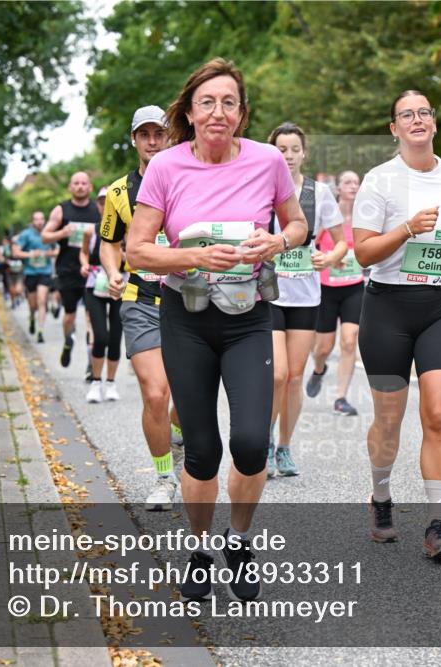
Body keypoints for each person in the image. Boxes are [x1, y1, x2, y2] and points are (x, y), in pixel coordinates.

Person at [126, 58, 307, 601]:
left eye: (229, 103)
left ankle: (240, 539)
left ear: (242, 114)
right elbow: (137, 249)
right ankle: (201, 548)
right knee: (202, 451)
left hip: (249, 317)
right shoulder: (166, 168)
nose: (218, 112)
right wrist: (194, 255)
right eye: (207, 102)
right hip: (186, 319)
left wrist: (278, 242)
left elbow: (297, 224)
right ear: (190, 111)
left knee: (251, 443)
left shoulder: (268, 160)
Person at [352, 90, 441, 559]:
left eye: (424, 112)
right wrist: (406, 228)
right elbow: (363, 252)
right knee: (389, 421)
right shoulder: (379, 180)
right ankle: (381, 495)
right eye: (406, 114)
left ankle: (438, 523)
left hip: (440, 308)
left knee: (436, 414)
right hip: (387, 310)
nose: (416, 119)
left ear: (434, 122)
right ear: (394, 128)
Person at [100, 104, 185, 511]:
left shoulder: (189, 179)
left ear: (170, 137)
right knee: (155, 392)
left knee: (185, 398)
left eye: (159, 134)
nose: (152, 141)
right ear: (133, 139)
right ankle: (165, 476)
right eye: (144, 134)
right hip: (140, 298)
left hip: (189, 297)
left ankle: (178, 431)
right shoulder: (118, 193)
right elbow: (108, 240)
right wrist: (113, 271)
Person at [266, 122, 348, 478]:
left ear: (304, 153)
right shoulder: (260, 187)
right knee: (278, 375)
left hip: (305, 296)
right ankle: (265, 444)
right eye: (281, 149)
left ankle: (284, 447)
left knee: (296, 378)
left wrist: (330, 259)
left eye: (294, 149)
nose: (288, 155)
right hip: (267, 294)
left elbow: (341, 241)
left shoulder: (319, 193)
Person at [307, 170, 364, 417]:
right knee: (323, 347)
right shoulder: (329, 216)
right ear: (338, 189)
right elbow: (311, 247)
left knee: (350, 340)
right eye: (348, 182)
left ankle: (341, 398)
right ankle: (319, 369)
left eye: (356, 182)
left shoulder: (365, 218)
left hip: (354, 286)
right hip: (326, 288)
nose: (353, 186)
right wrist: (330, 259)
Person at [41, 172, 100, 368]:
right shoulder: (61, 210)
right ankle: (68, 341)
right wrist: (62, 233)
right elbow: (45, 236)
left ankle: (91, 360)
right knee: (69, 316)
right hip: (67, 269)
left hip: (91, 269)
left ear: (90, 187)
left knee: (91, 315)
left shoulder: (97, 210)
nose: (80, 186)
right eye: (76, 183)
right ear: (70, 187)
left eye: (84, 183)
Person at [80, 216, 122, 403]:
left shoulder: (129, 228)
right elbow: (83, 252)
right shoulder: (91, 230)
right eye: (102, 202)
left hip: (119, 286)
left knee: (115, 338)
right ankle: (96, 383)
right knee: (100, 336)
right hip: (95, 285)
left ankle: (111, 383)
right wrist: (84, 264)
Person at [14, 211, 58, 343]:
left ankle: (40, 331)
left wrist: (49, 254)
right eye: (36, 219)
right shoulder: (26, 235)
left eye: (41, 219)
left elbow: (58, 250)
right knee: (33, 304)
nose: (39, 221)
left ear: (44, 220)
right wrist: (30, 255)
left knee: (42, 300)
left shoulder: (49, 233)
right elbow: (15, 252)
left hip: (45, 272)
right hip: (30, 273)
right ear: (32, 221)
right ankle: (32, 317)